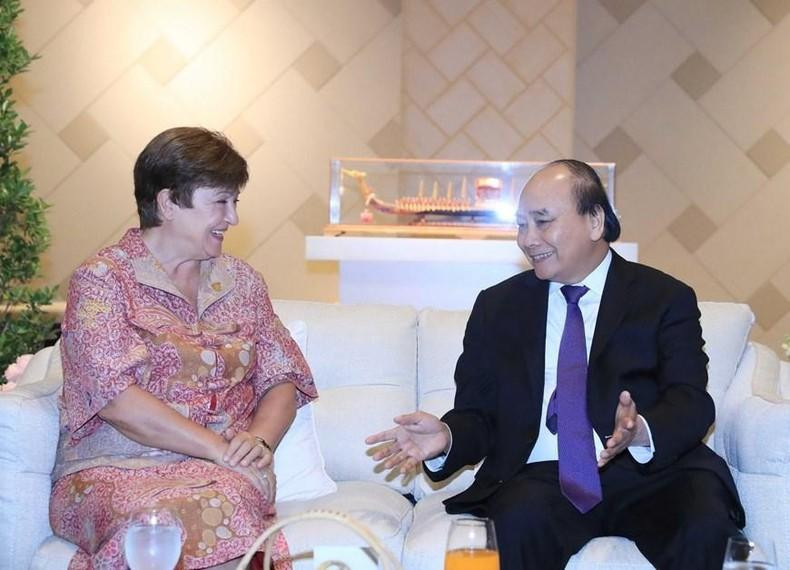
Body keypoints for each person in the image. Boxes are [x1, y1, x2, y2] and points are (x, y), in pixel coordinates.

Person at [366, 159, 744, 570]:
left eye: (542, 222)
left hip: (654, 476)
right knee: (514, 520)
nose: (528, 239)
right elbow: (479, 415)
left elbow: (691, 400)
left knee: (703, 523)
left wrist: (641, 433)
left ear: (595, 221)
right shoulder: (498, 307)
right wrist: (448, 436)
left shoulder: (664, 297)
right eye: (521, 225)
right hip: (544, 478)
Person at [50, 127, 317, 570]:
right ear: (168, 202)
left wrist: (258, 442)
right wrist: (218, 447)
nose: (232, 218)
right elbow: (116, 400)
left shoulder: (242, 282)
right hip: (114, 470)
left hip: (222, 474)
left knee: (227, 499)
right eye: (220, 202)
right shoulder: (103, 281)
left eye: (235, 202)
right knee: (156, 522)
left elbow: (282, 377)